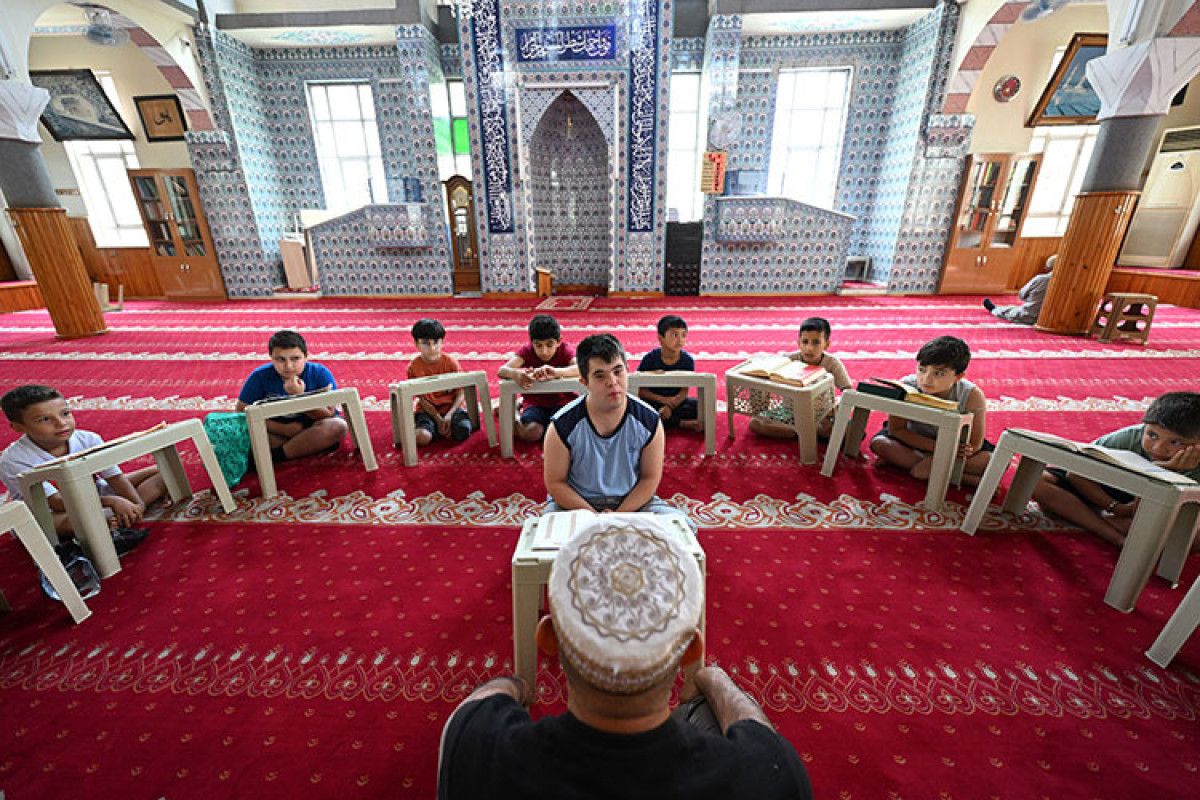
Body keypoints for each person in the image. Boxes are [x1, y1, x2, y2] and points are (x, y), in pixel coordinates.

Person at [437, 515, 812, 800]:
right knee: (709, 707)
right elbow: (758, 734)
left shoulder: (476, 750)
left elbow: (475, 706)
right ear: (690, 651)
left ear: (547, 638)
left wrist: (517, 685)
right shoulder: (771, 779)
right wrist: (713, 678)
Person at [543, 333, 693, 531]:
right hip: (577, 504)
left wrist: (618, 516)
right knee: (548, 532)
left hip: (632, 503)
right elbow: (556, 483)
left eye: (618, 371)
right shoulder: (562, 425)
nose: (612, 382)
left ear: (627, 371)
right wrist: (595, 518)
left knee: (683, 528)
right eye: (600, 375)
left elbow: (649, 479)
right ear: (584, 381)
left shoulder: (649, 421)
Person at [0, 384, 163, 548]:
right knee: (80, 520)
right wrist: (112, 501)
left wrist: (137, 504)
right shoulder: (14, 460)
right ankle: (109, 518)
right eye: (44, 419)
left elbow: (114, 477)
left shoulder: (88, 439)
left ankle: (119, 516)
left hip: (94, 493)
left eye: (65, 413)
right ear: (18, 427)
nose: (61, 423)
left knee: (164, 473)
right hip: (51, 513)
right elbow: (56, 502)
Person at [1032, 391, 1200, 548]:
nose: (1158, 448)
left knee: (1191, 536)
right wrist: (1117, 508)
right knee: (1035, 481)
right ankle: (1112, 534)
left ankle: (1082, 516)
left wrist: (1163, 471)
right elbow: (1076, 474)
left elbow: (1154, 510)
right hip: (1105, 487)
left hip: (1153, 507)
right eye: (1152, 435)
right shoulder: (1130, 437)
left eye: (1175, 442)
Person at [869, 335, 992, 485]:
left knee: (991, 461)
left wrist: (949, 452)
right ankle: (958, 476)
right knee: (880, 444)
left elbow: (975, 443)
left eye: (939, 373)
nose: (926, 379)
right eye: (922, 370)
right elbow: (897, 430)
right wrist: (939, 449)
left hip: (954, 446)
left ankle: (921, 467)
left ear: (958, 376)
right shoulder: (907, 386)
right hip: (914, 439)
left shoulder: (971, 394)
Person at [236, 329, 347, 463]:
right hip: (277, 429)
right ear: (271, 357)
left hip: (311, 427)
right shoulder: (259, 376)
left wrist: (299, 396)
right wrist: (284, 429)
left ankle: (277, 456)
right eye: (280, 359)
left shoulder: (320, 373)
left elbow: (328, 413)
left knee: (338, 426)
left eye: (295, 359)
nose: (288, 366)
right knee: (240, 433)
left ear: (306, 356)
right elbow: (241, 411)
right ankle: (304, 447)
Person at [749, 316, 853, 439]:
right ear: (798, 343)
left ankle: (804, 432)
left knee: (852, 431)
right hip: (789, 412)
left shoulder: (832, 363)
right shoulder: (788, 359)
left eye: (816, 342)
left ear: (826, 344)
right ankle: (807, 432)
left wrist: (836, 406)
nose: (809, 348)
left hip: (821, 415)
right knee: (755, 423)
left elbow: (848, 390)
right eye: (805, 342)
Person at [497, 314, 579, 442]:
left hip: (562, 400)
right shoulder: (527, 351)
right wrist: (517, 374)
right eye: (538, 345)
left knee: (561, 431)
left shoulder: (564, 350)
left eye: (549, 345)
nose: (544, 351)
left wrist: (556, 372)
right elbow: (502, 371)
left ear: (559, 341)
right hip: (535, 402)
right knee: (532, 433)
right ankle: (513, 412)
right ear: (531, 343)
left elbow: (580, 368)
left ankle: (519, 405)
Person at [408, 318, 473, 446]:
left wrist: (449, 415)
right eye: (426, 343)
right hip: (428, 412)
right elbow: (422, 399)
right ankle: (437, 429)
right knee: (422, 437)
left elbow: (461, 393)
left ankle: (441, 430)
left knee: (463, 430)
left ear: (442, 342)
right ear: (416, 344)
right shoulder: (413, 368)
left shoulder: (451, 363)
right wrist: (438, 419)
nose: (432, 348)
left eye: (436, 342)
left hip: (452, 409)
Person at [636, 314, 703, 433]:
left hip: (675, 402)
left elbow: (683, 392)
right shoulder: (650, 359)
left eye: (683, 335)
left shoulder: (687, 360)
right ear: (660, 338)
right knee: (640, 410)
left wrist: (669, 406)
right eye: (674, 335)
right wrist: (663, 401)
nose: (680, 340)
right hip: (654, 400)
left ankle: (665, 421)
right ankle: (681, 423)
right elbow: (641, 391)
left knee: (702, 406)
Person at [983, 254, 1056, 326]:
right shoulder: (1062, 285)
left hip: (1032, 316)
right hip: (1054, 319)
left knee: (1010, 311)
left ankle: (994, 310)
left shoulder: (1041, 279)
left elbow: (1022, 295)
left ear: (1048, 268)